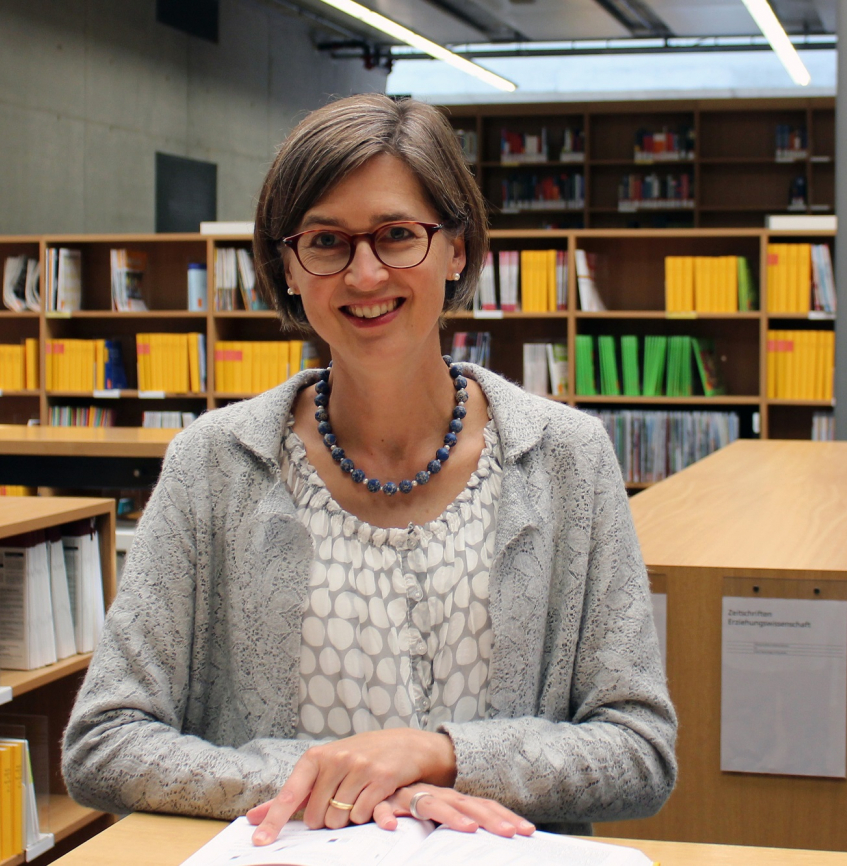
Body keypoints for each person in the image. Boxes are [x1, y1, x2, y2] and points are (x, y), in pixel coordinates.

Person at [62, 93, 676, 846]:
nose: (364, 273)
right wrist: (339, 783)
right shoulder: (214, 465)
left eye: (396, 235)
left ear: (457, 249)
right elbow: (104, 741)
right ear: (287, 267)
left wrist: (446, 757)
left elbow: (640, 748)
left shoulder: (566, 460)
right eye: (326, 241)